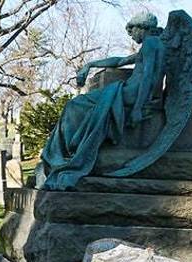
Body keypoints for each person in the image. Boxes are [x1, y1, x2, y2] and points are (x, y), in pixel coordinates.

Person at [40, 11, 166, 190]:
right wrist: (89, 64)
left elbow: (148, 77)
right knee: (76, 105)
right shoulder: (151, 44)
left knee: (75, 105)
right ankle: (60, 154)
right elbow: (119, 61)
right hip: (125, 90)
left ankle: (61, 156)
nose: (132, 36)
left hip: (128, 93)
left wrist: (138, 107)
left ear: (142, 27)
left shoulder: (152, 43)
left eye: (133, 31)